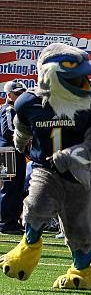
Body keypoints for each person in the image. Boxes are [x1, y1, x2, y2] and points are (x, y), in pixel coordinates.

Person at [0, 43, 91, 290]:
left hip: (79, 175)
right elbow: (22, 130)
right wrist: (20, 139)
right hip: (44, 169)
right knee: (36, 206)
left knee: (82, 232)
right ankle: (28, 248)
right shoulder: (28, 102)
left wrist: (72, 155)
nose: (83, 82)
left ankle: (80, 272)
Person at [0, 82, 27, 235]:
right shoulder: (9, 110)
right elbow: (7, 131)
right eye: (17, 93)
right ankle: (5, 224)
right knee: (9, 188)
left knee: (17, 188)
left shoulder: (17, 109)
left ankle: (13, 222)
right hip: (7, 152)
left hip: (16, 151)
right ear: (9, 95)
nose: (21, 95)